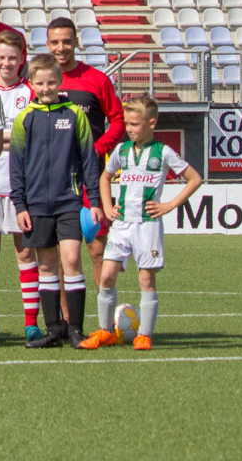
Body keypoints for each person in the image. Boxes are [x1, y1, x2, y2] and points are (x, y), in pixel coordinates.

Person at [81, 96, 203, 351]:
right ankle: (105, 331)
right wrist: (106, 206)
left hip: (148, 225)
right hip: (123, 224)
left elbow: (194, 179)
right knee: (106, 275)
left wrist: (169, 205)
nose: (129, 128)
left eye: (135, 124)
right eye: (126, 123)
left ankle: (144, 335)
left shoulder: (164, 152)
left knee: (146, 279)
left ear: (151, 123)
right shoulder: (122, 151)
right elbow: (104, 178)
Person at [10, 53, 102, 349]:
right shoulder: (25, 117)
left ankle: (75, 328)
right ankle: (53, 330)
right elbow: (17, 166)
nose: (46, 87)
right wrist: (20, 205)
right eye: (40, 83)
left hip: (69, 202)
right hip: (36, 205)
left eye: (51, 82)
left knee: (72, 259)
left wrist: (95, 201)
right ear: (32, 84)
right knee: (46, 266)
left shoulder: (75, 114)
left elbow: (89, 160)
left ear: (60, 81)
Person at [45, 15, 127, 280]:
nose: (61, 48)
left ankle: (104, 318)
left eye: (66, 42)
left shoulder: (96, 79)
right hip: (54, 179)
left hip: (91, 177)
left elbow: (118, 120)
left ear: (76, 42)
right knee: (61, 255)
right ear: (47, 44)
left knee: (97, 250)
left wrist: (99, 147)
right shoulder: (41, 82)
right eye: (55, 42)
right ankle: (66, 321)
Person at [0, 29, 41, 340]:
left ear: (22, 59)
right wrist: (9, 139)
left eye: (12, 58)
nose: (7, 63)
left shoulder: (32, 92)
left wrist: (1, 139)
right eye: (1, 58)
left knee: (25, 256)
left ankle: (31, 323)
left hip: (23, 188)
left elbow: (33, 136)